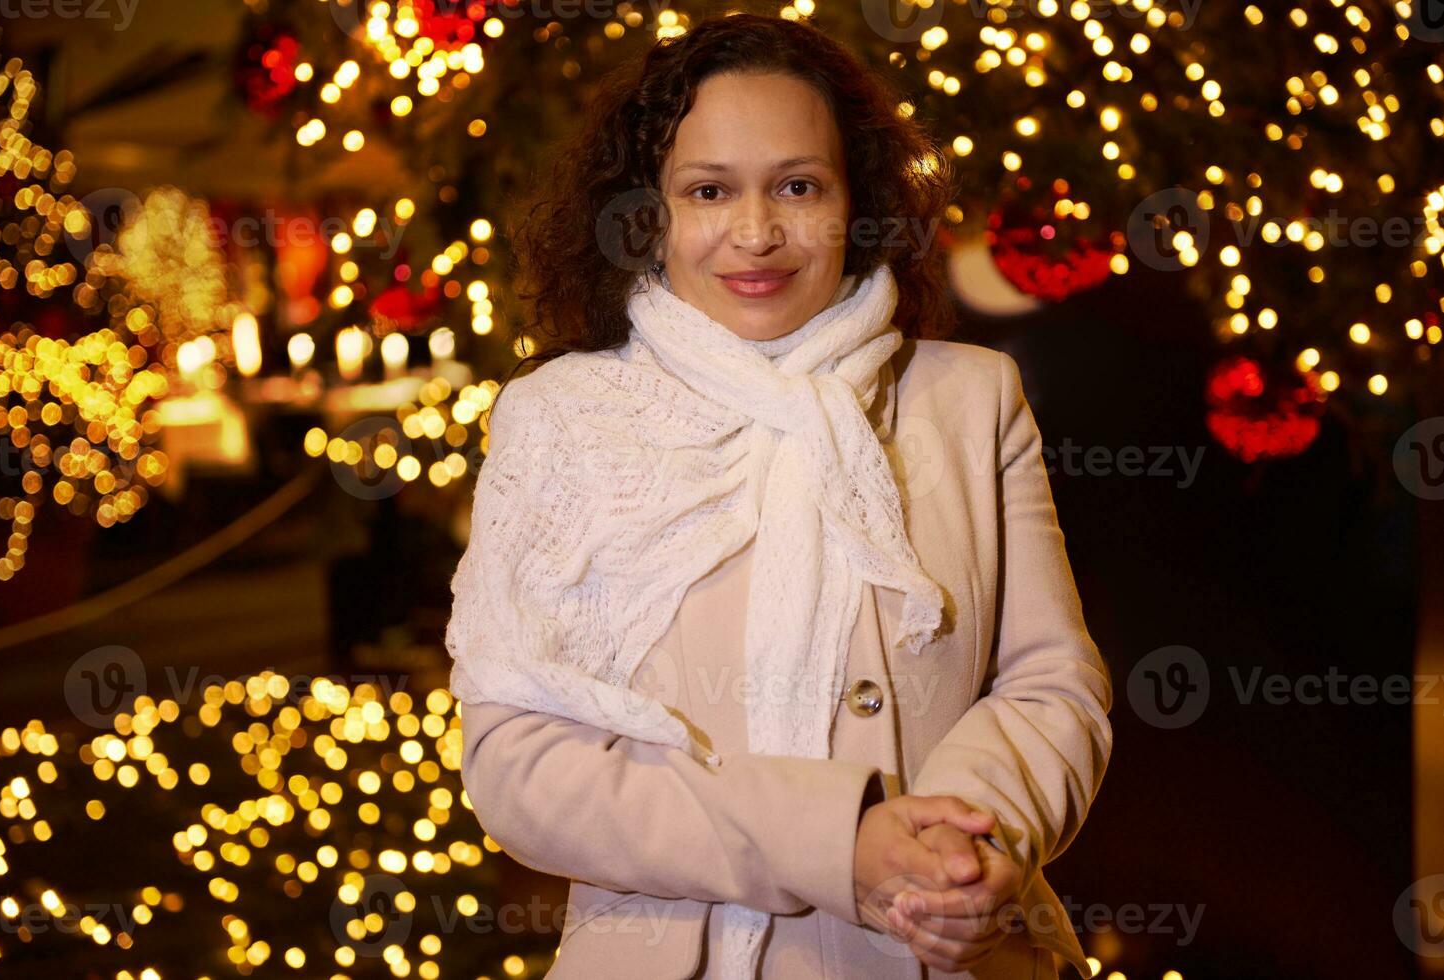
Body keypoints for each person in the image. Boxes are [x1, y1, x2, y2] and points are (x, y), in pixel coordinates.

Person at [445, 12, 1113, 979]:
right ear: (648, 214)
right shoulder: (558, 418)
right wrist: (837, 843)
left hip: (947, 945)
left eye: (798, 186)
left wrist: (969, 849)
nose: (755, 234)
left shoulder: (969, 397)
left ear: (857, 201)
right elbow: (518, 765)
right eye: (708, 191)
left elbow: (1051, 684)